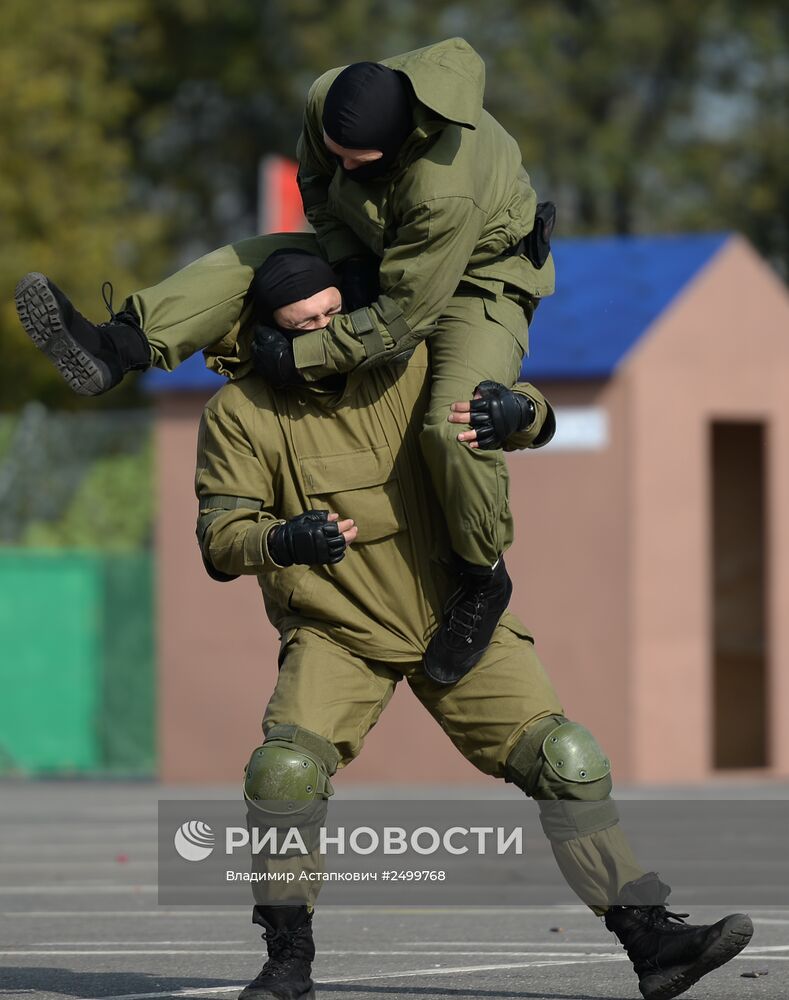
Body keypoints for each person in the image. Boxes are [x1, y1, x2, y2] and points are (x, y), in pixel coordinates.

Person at [194, 255, 753, 1000]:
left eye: (334, 316)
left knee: (566, 757)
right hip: (338, 628)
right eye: (303, 328)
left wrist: (520, 416)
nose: (327, 336)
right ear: (267, 334)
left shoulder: (411, 360)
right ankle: (287, 961)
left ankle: (652, 942)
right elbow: (220, 535)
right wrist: (284, 538)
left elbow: (523, 407)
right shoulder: (240, 412)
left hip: (458, 611)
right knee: (283, 772)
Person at [15, 37, 556, 683]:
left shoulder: (445, 189)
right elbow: (320, 192)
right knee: (254, 261)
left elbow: (404, 320)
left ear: (402, 145)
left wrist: (302, 356)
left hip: (476, 278)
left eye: (358, 161)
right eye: (337, 154)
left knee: (458, 423)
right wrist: (347, 267)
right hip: (381, 247)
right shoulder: (329, 101)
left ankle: (482, 576)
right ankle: (118, 346)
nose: (343, 167)